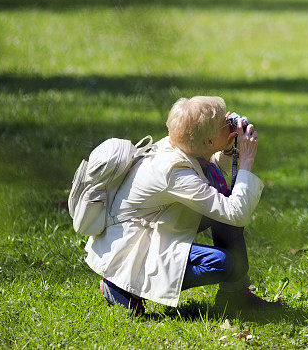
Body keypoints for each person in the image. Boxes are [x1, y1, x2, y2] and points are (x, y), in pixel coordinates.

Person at [85, 96, 278, 314]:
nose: (232, 121)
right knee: (223, 263)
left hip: (156, 227)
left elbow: (209, 172)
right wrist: (246, 161)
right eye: (225, 123)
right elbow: (237, 213)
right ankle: (120, 286)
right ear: (208, 142)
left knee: (224, 210)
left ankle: (235, 296)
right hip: (133, 251)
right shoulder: (173, 171)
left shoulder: (180, 145)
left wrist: (227, 151)